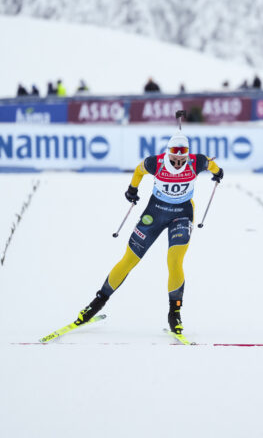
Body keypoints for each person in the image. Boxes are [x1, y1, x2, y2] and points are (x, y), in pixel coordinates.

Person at [72, 133, 224, 336]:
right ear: (168, 153)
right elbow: (138, 170)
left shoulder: (197, 161)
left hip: (182, 215)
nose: (178, 162)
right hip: (154, 213)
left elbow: (212, 166)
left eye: (182, 159)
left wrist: (218, 172)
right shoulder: (156, 162)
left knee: (174, 261)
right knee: (129, 259)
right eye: (174, 158)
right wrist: (132, 189)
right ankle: (96, 304)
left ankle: (174, 314)